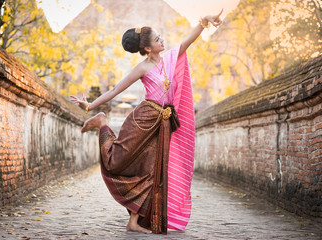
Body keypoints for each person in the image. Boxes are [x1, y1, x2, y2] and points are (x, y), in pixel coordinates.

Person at [70, 10, 223, 234]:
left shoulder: (170, 58)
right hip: (142, 120)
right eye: (157, 39)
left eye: (161, 37)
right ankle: (102, 122)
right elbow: (115, 89)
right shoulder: (142, 68)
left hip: (163, 123)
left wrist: (204, 22)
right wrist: (90, 105)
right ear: (148, 48)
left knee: (152, 171)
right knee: (120, 162)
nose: (162, 40)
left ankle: (134, 221)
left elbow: (188, 40)